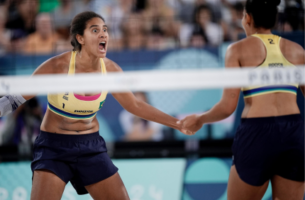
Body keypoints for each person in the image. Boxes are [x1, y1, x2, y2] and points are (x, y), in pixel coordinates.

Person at [0, 11, 185, 200]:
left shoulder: (111, 70)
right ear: (80, 38)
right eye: (95, 30)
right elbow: (13, 100)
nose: (103, 34)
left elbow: (136, 105)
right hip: (54, 148)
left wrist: (178, 124)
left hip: (90, 147)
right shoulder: (58, 66)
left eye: (105, 30)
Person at [180, 0, 305, 200]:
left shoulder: (237, 49)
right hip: (294, 133)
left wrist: (200, 119)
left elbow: (228, 107)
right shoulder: (298, 51)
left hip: (258, 133)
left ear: (247, 18)